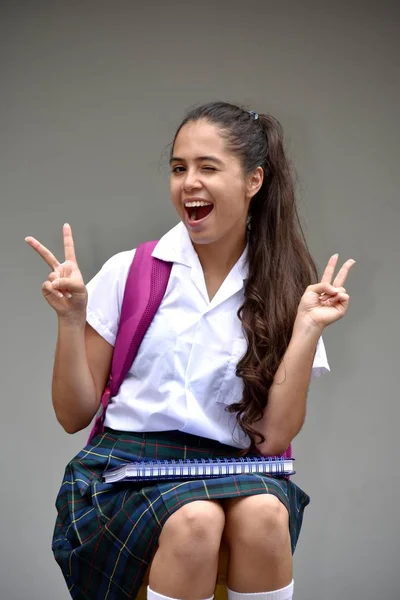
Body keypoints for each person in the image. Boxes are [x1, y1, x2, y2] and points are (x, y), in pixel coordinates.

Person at [25, 101, 355, 600]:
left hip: (234, 466)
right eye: (179, 168)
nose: (188, 183)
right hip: (125, 473)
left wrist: (307, 327)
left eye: (208, 167)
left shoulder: (286, 291)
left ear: (254, 181)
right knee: (195, 519)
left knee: (268, 513)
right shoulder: (128, 271)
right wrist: (71, 320)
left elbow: (272, 437)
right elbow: (72, 414)